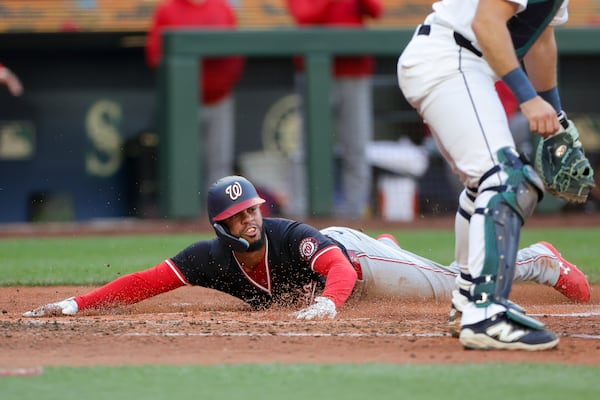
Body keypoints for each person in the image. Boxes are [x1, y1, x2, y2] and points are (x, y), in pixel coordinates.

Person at [23, 176, 590, 322]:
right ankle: (389, 245)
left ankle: (536, 259)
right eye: (236, 216)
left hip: (353, 262)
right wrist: (75, 304)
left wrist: (330, 304)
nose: (249, 219)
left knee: (451, 284)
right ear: (219, 225)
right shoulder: (208, 259)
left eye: (252, 209)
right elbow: (145, 282)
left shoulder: (288, 234)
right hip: (342, 274)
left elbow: (337, 267)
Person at [397, 0, 580, 350]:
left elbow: (541, 41)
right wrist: (527, 99)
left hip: (462, 64)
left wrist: (555, 115)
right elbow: (486, 23)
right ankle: (486, 314)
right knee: (506, 179)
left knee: (487, 181)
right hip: (450, 58)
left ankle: (468, 302)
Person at [287, 0, 383, 218]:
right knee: (306, 146)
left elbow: (376, 10)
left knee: (356, 146)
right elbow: (304, 14)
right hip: (315, 72)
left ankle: (355, 212)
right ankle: (300, 210)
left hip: (354, 71)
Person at [145, 0, 245, 190]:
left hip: (219, 98)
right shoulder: (167, 10)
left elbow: (236, 52)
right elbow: (155, 55)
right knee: (182, 161)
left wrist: (224, 81)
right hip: (182, 102)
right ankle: (182, 217)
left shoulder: (221, 8)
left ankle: (217, 214)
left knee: (219, 163)